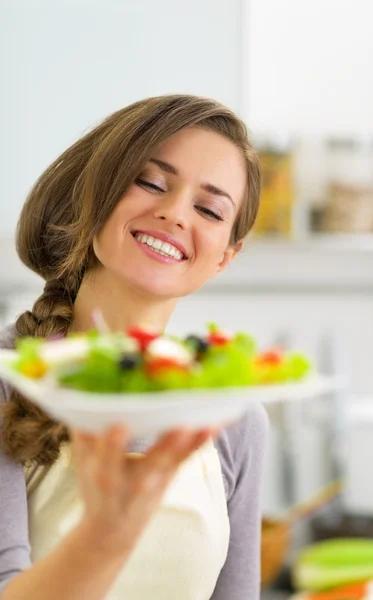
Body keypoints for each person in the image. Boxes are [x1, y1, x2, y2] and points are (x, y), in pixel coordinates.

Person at [0, 95, 268, 600]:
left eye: (209, 209)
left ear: (224, 258)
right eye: (150, 182)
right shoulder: (8, 380)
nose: (173, 213)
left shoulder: (235, 419)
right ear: (95, 194)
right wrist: (110, 533)